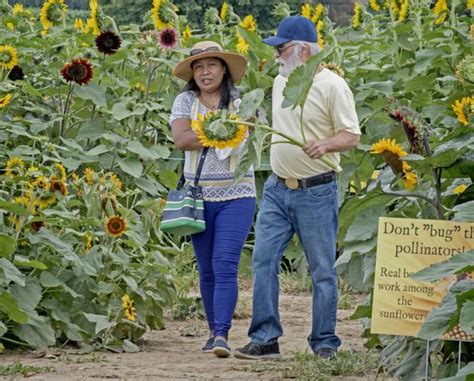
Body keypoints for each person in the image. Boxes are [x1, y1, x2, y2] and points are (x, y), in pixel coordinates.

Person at [234, 16, 361, 360]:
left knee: (321, 271)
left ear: (303, 51)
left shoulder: (333, 85)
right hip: (277, 188)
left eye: (281, 48)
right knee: (262, 261)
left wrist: (326, 145)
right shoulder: (280, 81)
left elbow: (352, 135)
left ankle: (324, 343)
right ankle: (265, 338)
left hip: (316, 191)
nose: (275, 55)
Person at [169, 41, 256, 358]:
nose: (205, 72)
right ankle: (211, 331)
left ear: (224, 70)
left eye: (212, 65)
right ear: (192, 73)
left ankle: (222, 334)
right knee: (205, 269)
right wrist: (219, 130)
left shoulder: (241, 103)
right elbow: (181, 139)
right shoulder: (185, 101)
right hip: (198, 197)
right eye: (198, 67)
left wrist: (203, 132)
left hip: (237, 194)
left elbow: (245, 132)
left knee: (225, 264)